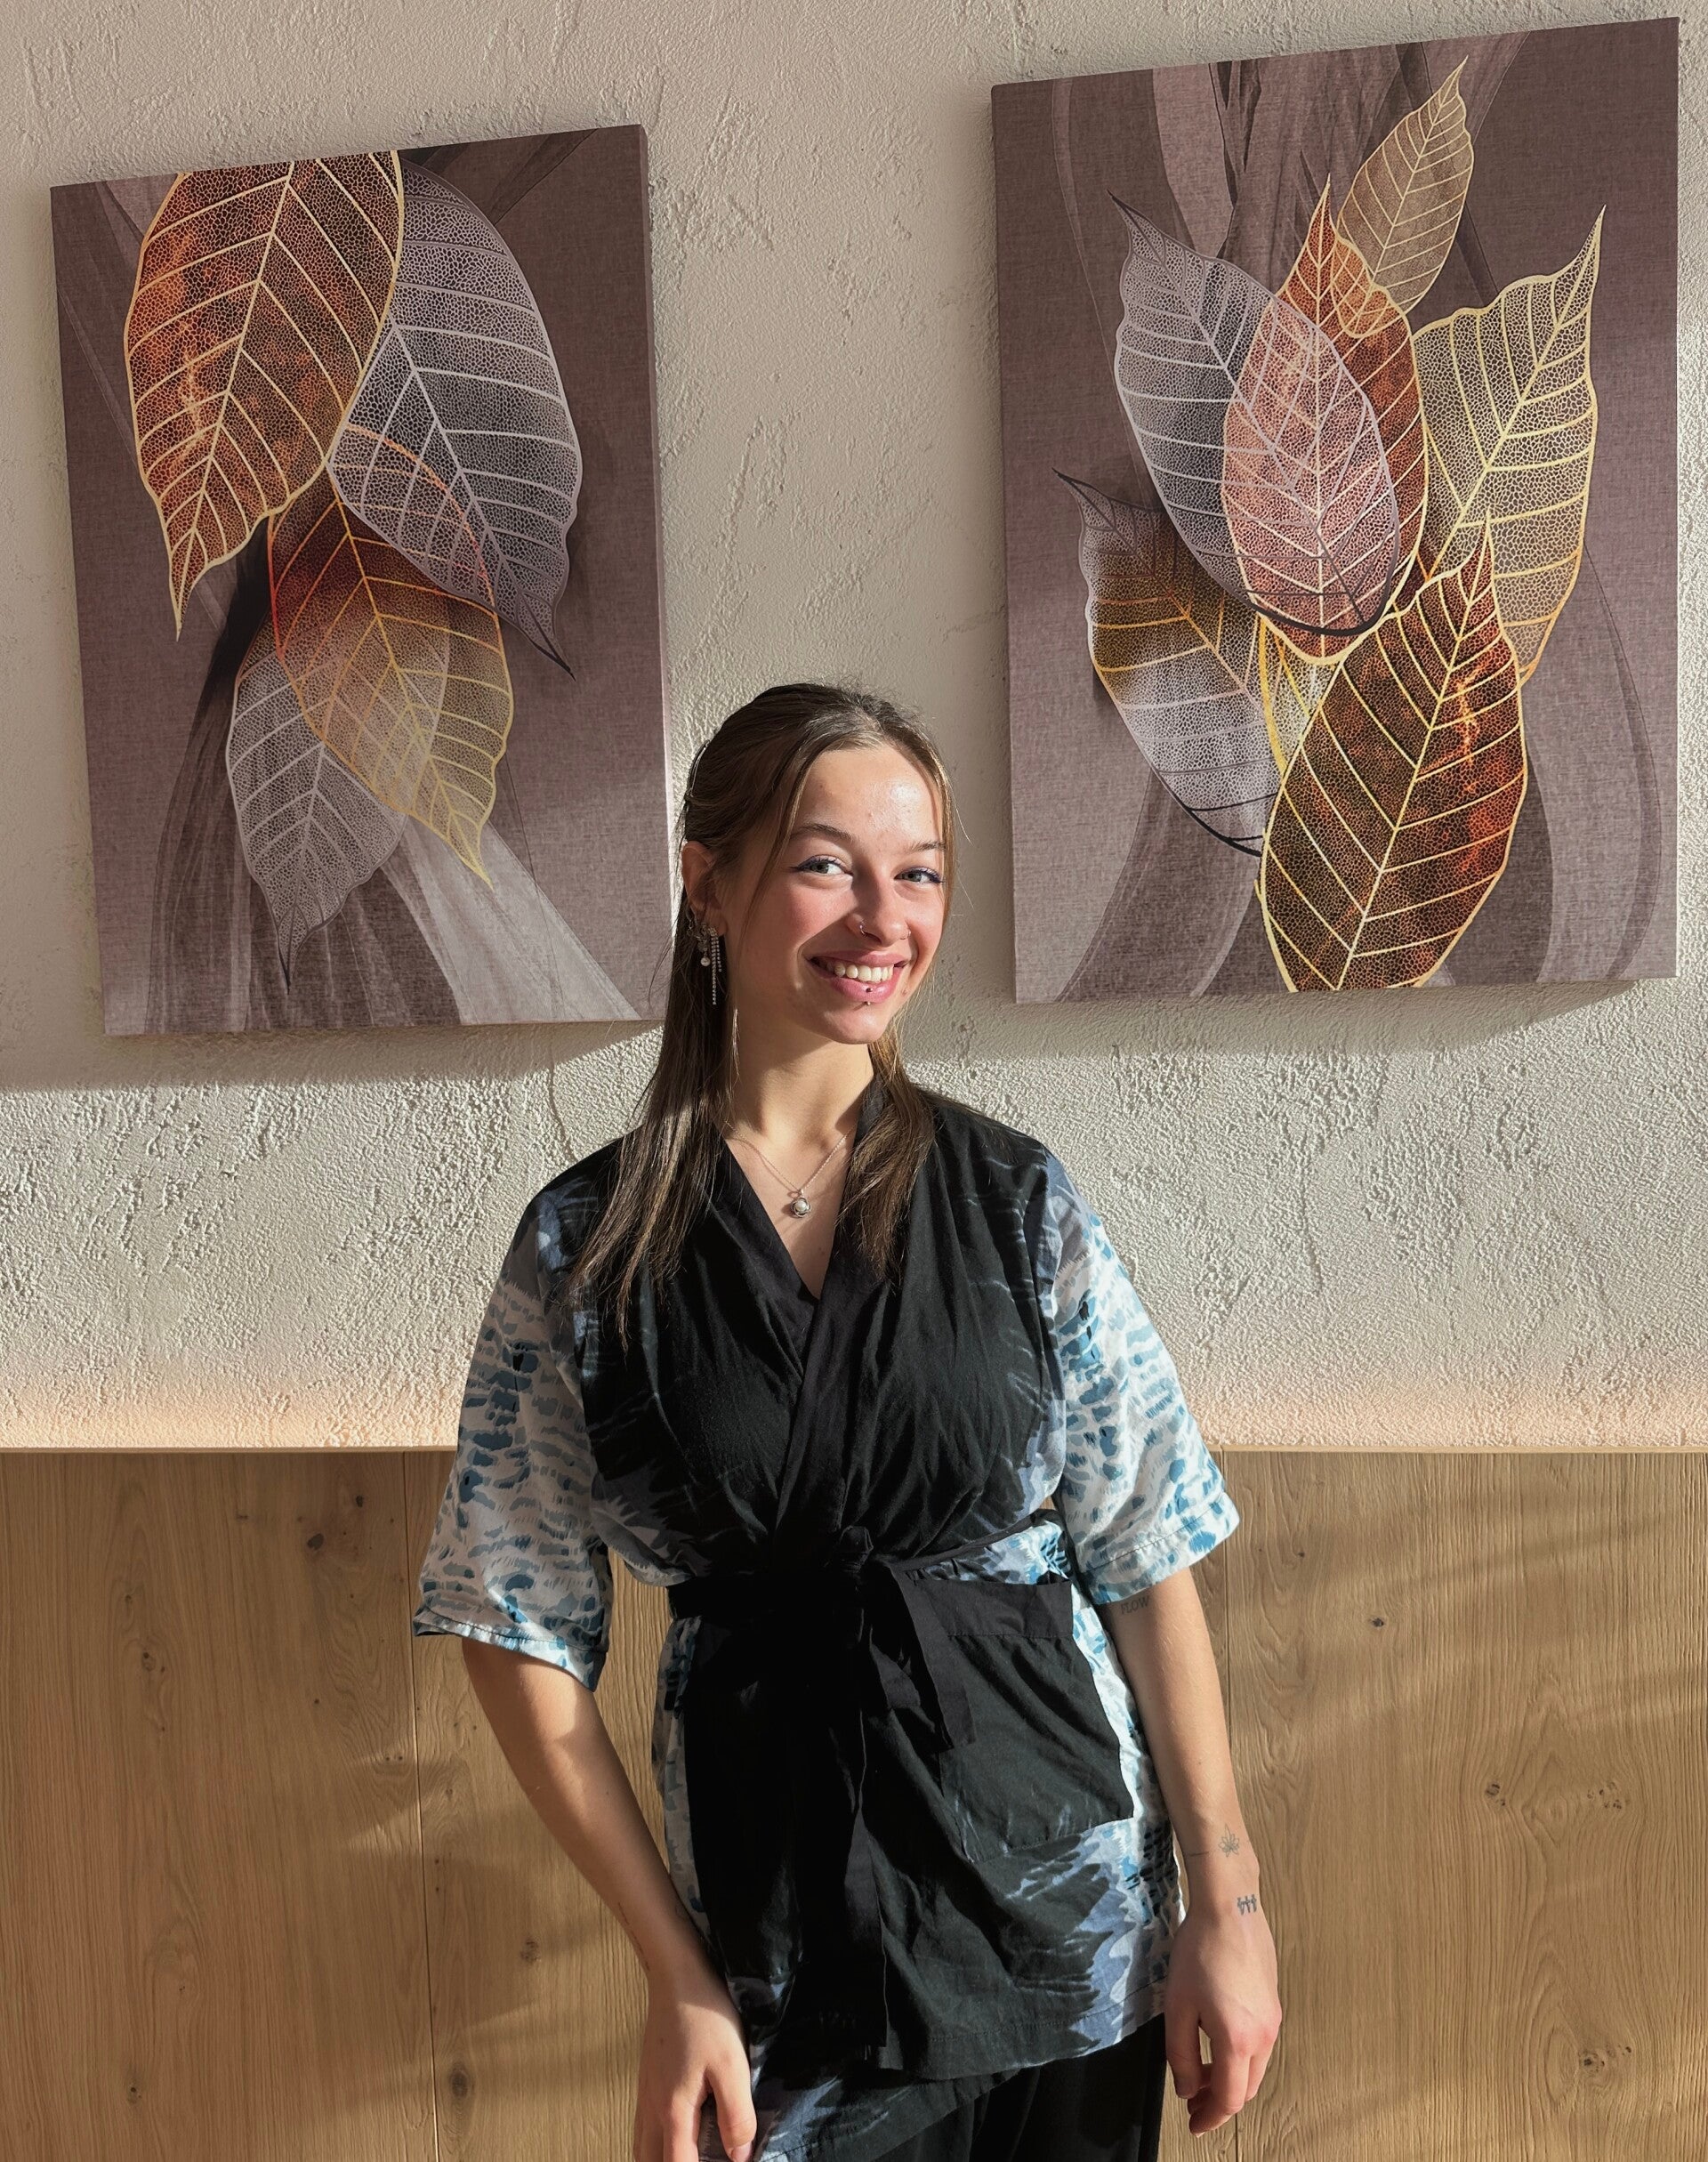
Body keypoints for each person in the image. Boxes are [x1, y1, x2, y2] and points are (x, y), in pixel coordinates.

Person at [412, 682, 1281, 2162]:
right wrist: (674, 1969)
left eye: (919, 872)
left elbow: (1145, 1554)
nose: (885, 919)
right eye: (827, 864)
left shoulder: (1018, 1203)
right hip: (780, 1948)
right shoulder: (589, 1246)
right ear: (708, 883)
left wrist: (1229, 1903)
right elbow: (516, 1623)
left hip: (1071, 1936)